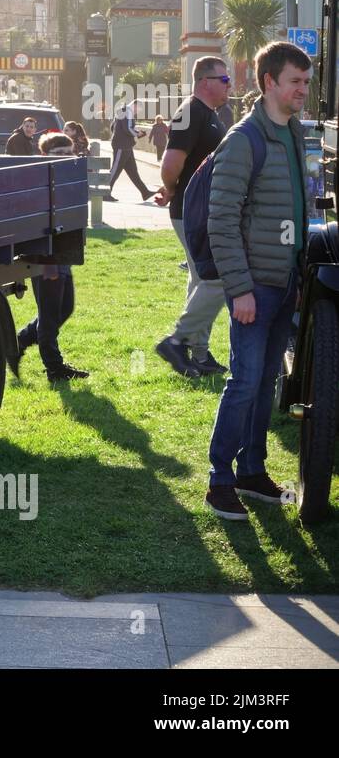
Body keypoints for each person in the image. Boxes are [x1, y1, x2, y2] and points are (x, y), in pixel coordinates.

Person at [203, 42, 311, 521]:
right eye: (295, 82)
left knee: (266, 382)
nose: (303, 90)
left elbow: (298, 210)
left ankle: (252, 471)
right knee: (244, 383)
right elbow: (221, 219)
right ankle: (219, 481)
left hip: (284, 282)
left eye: (307, 82)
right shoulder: (244, 139)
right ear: (270, 82)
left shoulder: (294, 135)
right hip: (253, 288)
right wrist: (240, 288)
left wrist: (301, 272)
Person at [153, 57, 231, 377]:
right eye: (224, 79)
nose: (229, 84)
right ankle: (181, 344)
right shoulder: (189, 112)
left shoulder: (209, 115)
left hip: (202, 209)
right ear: (204, 82)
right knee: (212, 279)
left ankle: (196, 354)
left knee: (200, 280)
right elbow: (170, 164)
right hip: (191, 211)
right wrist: (171, 189)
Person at [10, 133, 88, 383]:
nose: (66, 158)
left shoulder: (66, 177)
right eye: (60, 154)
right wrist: (48, 264)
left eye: (69, 153)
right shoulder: (40, 180)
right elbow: (37, 225)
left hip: (62, 254)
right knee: (50, 314)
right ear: (45, 155)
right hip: (45, 257)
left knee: (64, 309)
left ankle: (18, 342)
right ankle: (54, 368)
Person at [104, 101, 156, 201]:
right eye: (138, 109)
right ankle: (104, 193)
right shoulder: (127, 111)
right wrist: (138, 133)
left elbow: (113, 126)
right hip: (122, 145)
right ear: (135, 106)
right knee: (115, 170)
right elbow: (128, 128)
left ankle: (145, 192)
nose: (137, 112)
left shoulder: (122, 110)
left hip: (125, 145)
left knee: (133, 171)